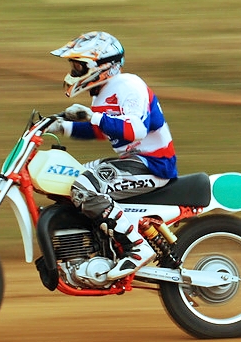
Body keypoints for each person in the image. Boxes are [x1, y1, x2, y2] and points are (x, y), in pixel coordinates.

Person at [46, 31, 177, 280]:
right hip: (134, 161)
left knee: (86, 187)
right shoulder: (105, 92)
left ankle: (137, 248)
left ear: (101, 66)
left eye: (78, 66)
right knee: (69, 178)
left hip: (153, 164)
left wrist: (92, 116)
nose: (74, 71)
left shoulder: (129, 86)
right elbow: (102, 130)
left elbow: (135, 130)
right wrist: (60, 126)